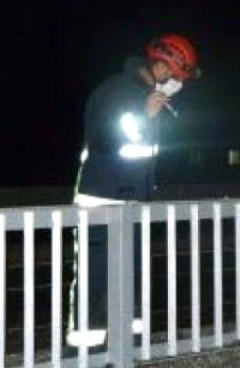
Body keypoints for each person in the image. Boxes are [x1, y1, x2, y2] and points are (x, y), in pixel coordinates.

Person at [67, 34, 200, 349]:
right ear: (162, 67)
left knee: (132, 275)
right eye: (174, 76)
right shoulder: (117, 91)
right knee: (95, 277)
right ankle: (84, 351)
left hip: (133, 201)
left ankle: (130, 346)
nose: (174, 83)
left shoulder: (144, 94)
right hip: (101, 199)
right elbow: (106, 140)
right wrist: (145, 114)